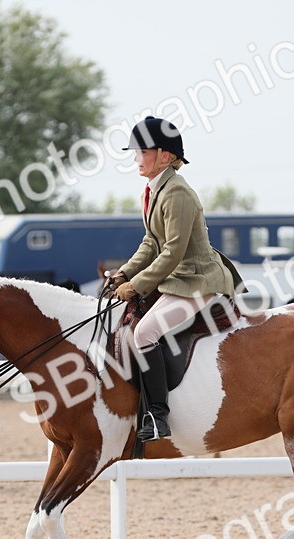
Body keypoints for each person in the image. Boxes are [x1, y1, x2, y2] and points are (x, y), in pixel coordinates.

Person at [103, 115, 242, 442]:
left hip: (197, 280)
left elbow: (174, 251)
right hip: (176, 279)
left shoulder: (177, 192)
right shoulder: (152, 190)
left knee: (145, 332)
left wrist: (136, 285)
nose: (136, 159)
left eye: (142, 152)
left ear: (165, 156)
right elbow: (151, 243)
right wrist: (125, 271)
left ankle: (158, 415)